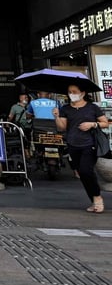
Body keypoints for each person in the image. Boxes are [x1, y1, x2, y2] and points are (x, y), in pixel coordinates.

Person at [54, 85, 109, 213]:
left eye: (74, 92)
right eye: (69, 92)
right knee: (82, 174)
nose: (72, 94)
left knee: (86, 170)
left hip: (89, 144)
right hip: (73, 145)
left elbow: (105, 123)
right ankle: (94, 200)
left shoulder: (92, 107)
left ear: (82, 93)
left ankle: (97, 197)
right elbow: (62, 127)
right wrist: (56, 116)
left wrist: (92, 124)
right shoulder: (65, 109)